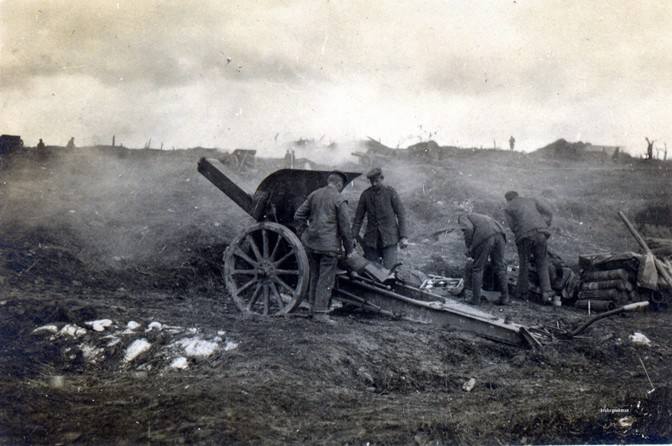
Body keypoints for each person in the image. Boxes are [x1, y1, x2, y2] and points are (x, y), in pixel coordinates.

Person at [294, 171, 354, 323]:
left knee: (315, 275)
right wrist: (350, 250)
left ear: (329, 181)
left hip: (311, 244)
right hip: (329, 247)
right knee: (326, 279)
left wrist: (304, 234)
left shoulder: (314, 194)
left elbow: (298, 215)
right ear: (339, 184)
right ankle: (320, 313)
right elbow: (346, 229)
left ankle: (312, 308)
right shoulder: (339, 199)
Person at [504, 191, 559, 306]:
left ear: (508, 199)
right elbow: (549, 212)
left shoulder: (508, 207)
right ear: (517, 195)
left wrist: (520, 231)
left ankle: (522, 294)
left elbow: (512, 226)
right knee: (542, 263)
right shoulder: (531, 200)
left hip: (524, 236)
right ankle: (547, 294)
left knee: (524, 264)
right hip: (541, 233)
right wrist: (545, 223)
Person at [352, 167, 408, 270]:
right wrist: (353, 236)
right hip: (372, 240)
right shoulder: (365, 195)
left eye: (376, 181)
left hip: (390, 239)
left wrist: (403, 237)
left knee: (389, 271)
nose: (374, 184)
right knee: (373, 271)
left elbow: (401, 214)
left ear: (382, 178)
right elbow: (358, 218)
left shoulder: (390, 192)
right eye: (371, 182)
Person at [458, 212, 509, 306]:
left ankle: (475, 300)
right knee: (500, 266)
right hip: (500, 234)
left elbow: (468, 229)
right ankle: (505, 297)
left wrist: (469, 247)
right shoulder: (479, 216)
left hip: (486, 235)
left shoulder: (462, 216)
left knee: (477, 268)